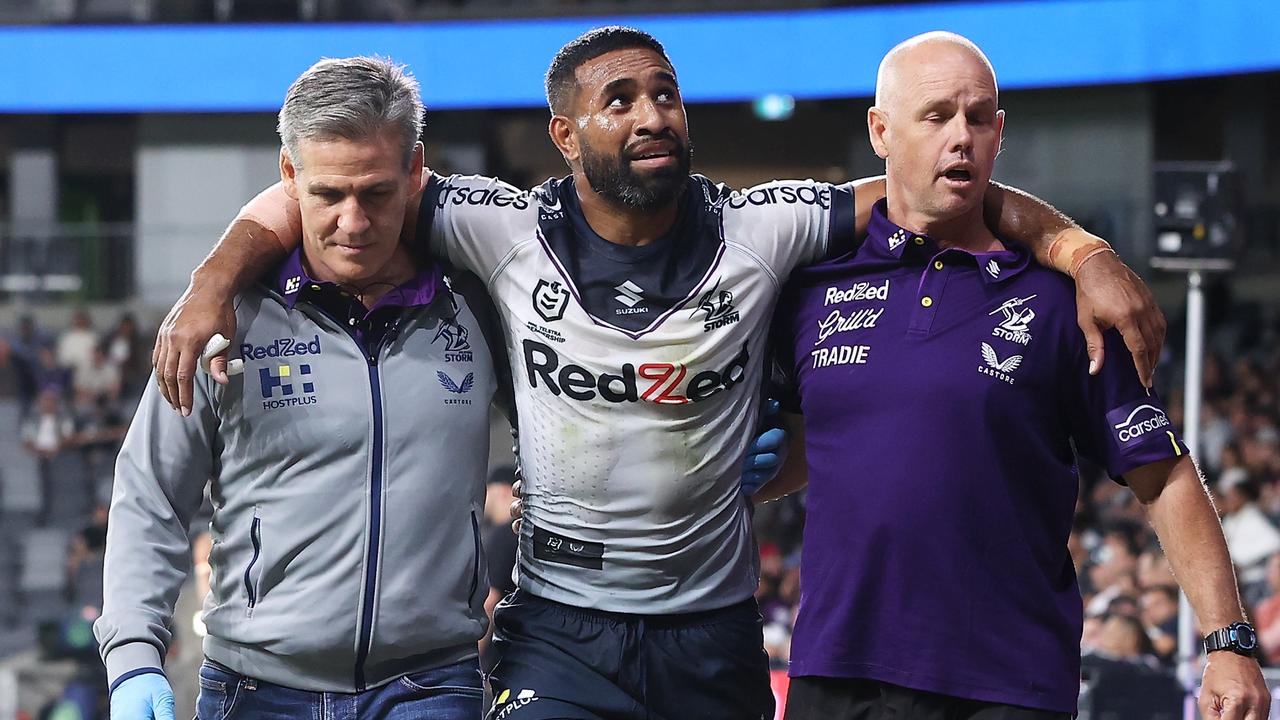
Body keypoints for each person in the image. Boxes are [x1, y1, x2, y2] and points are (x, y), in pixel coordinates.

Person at [150, 27, 1167, 720]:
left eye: (665, 94)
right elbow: (320, 189)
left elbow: (934, 191)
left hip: (711, 630)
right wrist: (211, 283)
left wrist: (1081, 252)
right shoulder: (492, 224)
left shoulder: (762, 225)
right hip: (557, 630)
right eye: (618, 99)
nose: (650, 114)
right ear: (563, 135)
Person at [763, 31, 1268, 720]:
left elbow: (1165, 474)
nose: (961, 137)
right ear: (881, 131)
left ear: (1000, 134)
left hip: (1006, 685)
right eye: (936, 115)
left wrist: (1230, 641)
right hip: (836, 671)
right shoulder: (809, 290)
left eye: (978, 117)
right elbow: (805, 451)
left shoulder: (1063, 303)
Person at [95, 57, 506, 720]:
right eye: (327, 194)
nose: (352, 221)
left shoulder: (477, 303)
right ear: (289, 178)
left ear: (414, 171)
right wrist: (134, 655)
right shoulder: (227, 318)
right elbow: (151, 494)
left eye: (374, 192)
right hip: (256, 688)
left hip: (430, 682)